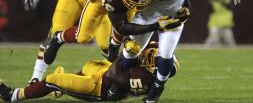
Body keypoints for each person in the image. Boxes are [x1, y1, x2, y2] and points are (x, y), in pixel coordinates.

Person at [44, 0, 186, 64]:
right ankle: (58, 38)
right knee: (83, 37)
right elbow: (122, 26)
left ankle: (113, 47)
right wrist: (155, 26)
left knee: (125, 21)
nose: (135, 6)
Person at [0, 42, 180, 102]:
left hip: (100, 87)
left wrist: (124, 53)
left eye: (157, 59)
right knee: (88, 65)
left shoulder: (146, 80)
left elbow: (113, 75)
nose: (154, 54)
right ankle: (59, 89)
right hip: (103, 72)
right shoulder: (153, 53)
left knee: (53, 78)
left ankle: (13, 95)